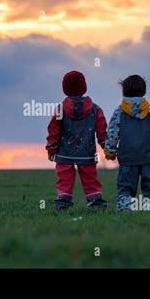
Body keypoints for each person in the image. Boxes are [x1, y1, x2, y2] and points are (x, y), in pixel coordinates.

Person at [46, 71, 108, 210]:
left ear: (65, 88)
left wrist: (51, 149)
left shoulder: (60, 110)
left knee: (64, 180)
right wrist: (106, 147)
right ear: (84, 87)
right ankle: (96, 203)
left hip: (64, 154)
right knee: (91, 179)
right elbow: (102, 130)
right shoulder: (95, 109)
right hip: (87, 153)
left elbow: (53, 131)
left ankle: (62, 204)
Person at [104, 75, 150, 210]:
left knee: (126, 187)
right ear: (144, 91)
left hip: (127, 157)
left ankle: (126, 206)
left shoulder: (119, 111)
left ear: (124, 92)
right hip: (148, 157)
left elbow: (112, 132)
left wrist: (110, 150)